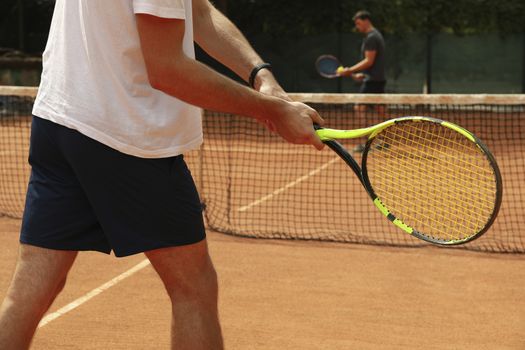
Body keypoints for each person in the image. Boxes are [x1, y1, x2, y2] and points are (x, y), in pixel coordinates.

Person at [0, 1, 324, 349]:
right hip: (126, 137)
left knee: (33, 283)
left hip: (60, 119)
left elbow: (198, 11)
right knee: (193, 287)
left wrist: (262, 77)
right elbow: (167, 69)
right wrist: (272, 110)